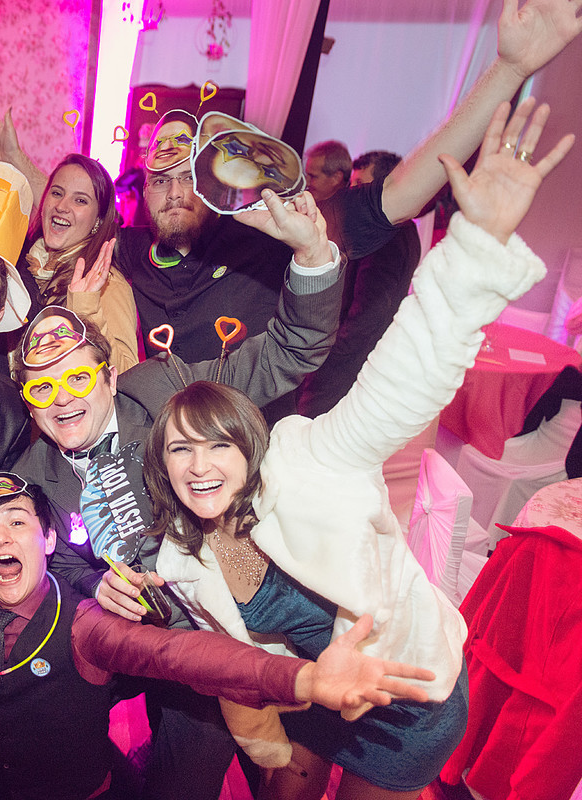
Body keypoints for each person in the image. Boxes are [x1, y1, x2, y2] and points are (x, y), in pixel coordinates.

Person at [139, 100, 571, 799]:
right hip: (311, 700)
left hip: (409, 698)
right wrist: (271, 743)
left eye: (216, 444)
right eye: (180, 452)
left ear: (248, 446)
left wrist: (476, 246)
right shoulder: (179, 557)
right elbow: (235, 669)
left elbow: (407, 373)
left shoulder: (310, 461)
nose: (199, 466)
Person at [10, 174, 342, 798]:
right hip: (127, 637)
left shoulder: (163, 392)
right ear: (28, 405)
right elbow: (52, 563)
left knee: (189, 771)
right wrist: (95, 583)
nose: (63, 401)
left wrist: (312, 256)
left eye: (78, 379)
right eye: (41, 388)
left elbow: (289, 352)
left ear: (109, 375)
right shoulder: (36, 472)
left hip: (221, 620)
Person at [0, 472, 438, 800]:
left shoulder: (84, 628)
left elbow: (181, 654)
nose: (1, 534)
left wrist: (304, 676)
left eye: (18, 522)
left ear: (48, 540)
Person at [118, 0, 582, 366]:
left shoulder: (265, 233)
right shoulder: (120, 251)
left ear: (210, 178)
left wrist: (508, 70)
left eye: (187, 176)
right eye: (161, 179)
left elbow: (397, 196)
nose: (175, 191)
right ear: (143, 187)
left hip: (250, 463)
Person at [295, 150, 422, 417]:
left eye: (361, 185)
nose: (354, 193)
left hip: (347, 368)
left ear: (383, 188)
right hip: (354, 361)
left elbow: (369, 312)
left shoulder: (390, 235)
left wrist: (326, 360)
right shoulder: (402, 229)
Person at [17, 154, 139, 372]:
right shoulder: (25, 266)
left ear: (98, 221)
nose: (62, 206)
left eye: (80, 200)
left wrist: (85, 306)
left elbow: (128, 374)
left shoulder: (106, 282)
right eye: (56, 193)